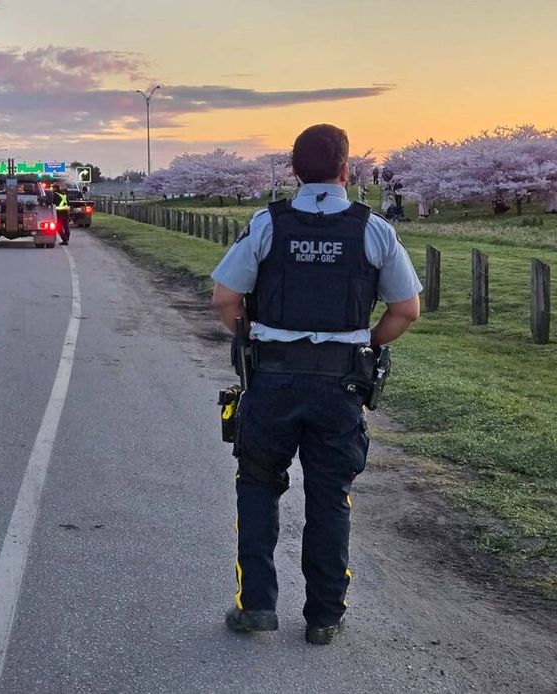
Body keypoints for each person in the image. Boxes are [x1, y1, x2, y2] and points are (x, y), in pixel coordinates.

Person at [210, 124, 422, 645]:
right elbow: (406, 310)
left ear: (293, 169)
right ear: (347, 170)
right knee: (331, 497)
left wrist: (251, 341)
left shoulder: (266, 224)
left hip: (273, 381)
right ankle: (325, 616)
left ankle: (256, 605)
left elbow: (224, 299)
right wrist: (361, 344)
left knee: (258, 487)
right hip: (341, 386)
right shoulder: (374, 230)